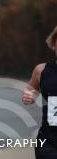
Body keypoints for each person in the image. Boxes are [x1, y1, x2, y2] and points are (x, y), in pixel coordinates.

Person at [22, 26, 57, 159]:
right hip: (49, 142)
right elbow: (31, 90)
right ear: (53, 45)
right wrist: (29, 96)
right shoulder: (41, 70)